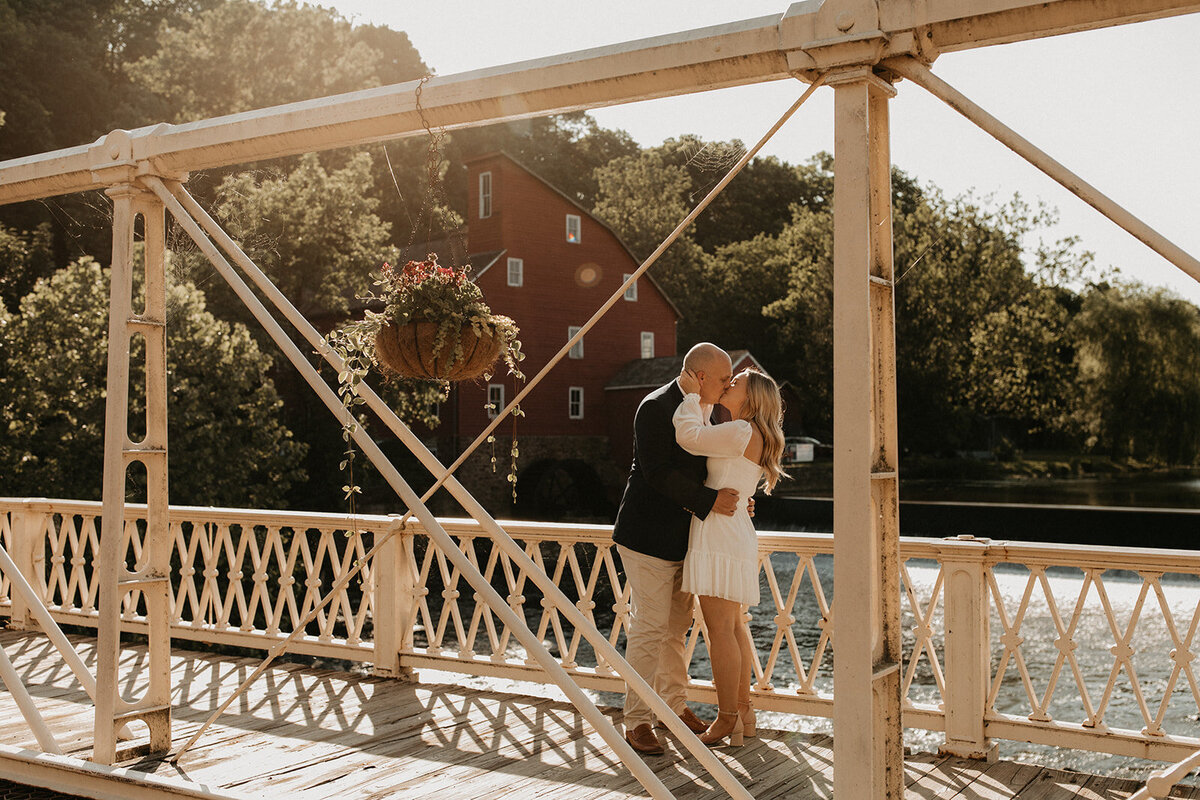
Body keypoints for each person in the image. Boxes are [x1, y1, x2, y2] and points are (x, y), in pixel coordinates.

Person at [612, 343, 741, 755]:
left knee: (676, 630)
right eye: (723, 379)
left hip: (686, 541)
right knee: (650, 627)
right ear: (701, 376)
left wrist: (734, 496)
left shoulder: (706, 409)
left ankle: (673, 705)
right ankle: (636, 721)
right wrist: (709, 501)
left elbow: (707, 469)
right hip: (646, 536)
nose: (728, 385)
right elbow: (656, 473)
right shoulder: (654, 406)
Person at [674, 366, 786, 747]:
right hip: (734, 527)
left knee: (720, 631)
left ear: (750, 397)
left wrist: (691, 396)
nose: (728, 383)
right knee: (733, 628)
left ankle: (726, 719)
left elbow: (689, 437)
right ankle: (743, 712)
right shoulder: (750, 433)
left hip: (719, 531)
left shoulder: (740, 430)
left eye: (734, 383)